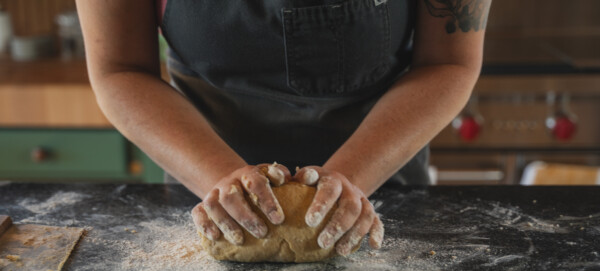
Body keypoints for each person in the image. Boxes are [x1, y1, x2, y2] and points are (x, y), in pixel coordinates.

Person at [76, 0, 492, 256]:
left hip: (381, 194)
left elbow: (448, 61)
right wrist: (223, 180)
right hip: (209, 194)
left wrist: (349, 181)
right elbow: (120, 69)